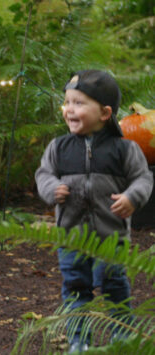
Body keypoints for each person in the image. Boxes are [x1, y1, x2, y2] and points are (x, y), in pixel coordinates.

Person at [35, 70, 153, 353]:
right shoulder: (58, 148)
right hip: (72, 238)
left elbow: (144, 178)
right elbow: (43, 174)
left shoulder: (124, 149)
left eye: (78, 103)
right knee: (76, 289)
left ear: (104, 113)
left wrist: (131, 196)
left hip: (111, 237)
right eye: (67, 102)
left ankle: (122, 337)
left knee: (115, 286)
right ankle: (79, 341)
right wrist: (52, 188)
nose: (69, 109)